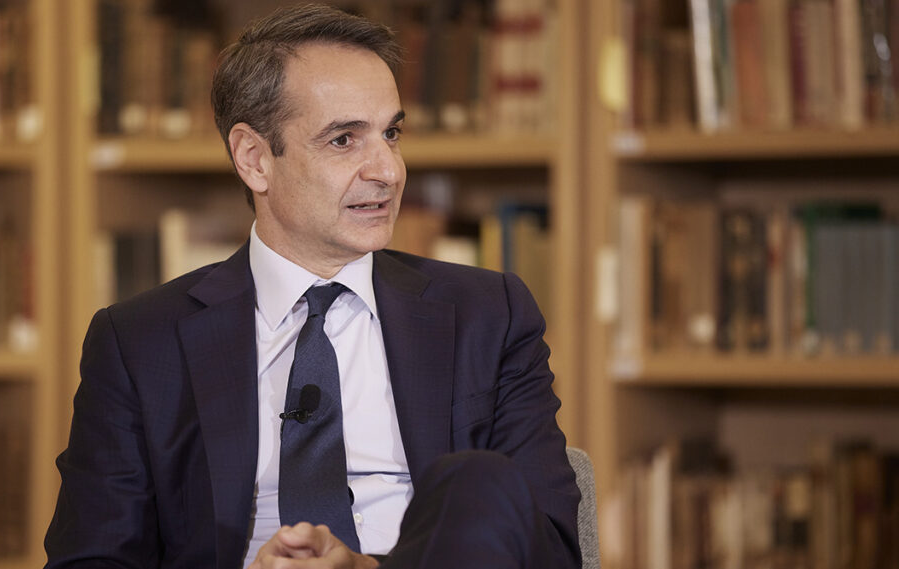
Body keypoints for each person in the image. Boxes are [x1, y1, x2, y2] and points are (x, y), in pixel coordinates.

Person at [44, 4, 581, 569]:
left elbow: (549, 546)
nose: (388, 171)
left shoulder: (489, 314)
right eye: (344, 140)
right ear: (254, 159)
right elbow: (92, 560)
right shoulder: (139, 343)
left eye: (391, 134)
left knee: (478, 480)